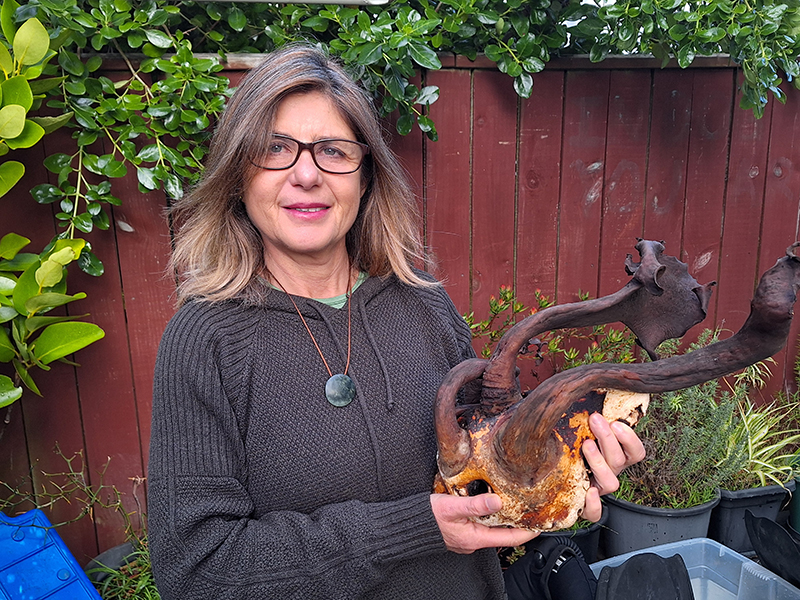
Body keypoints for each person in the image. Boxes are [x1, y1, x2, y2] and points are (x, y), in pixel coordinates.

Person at [147, 43, 645, 600]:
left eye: (333, 151)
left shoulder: (425, 307)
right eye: (275, 149)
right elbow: (194, 572)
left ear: (366, 177)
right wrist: (407, 532)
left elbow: (493, 485)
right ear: (240, 175)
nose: (306, 175)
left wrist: (562, 477)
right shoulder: (206, 340)